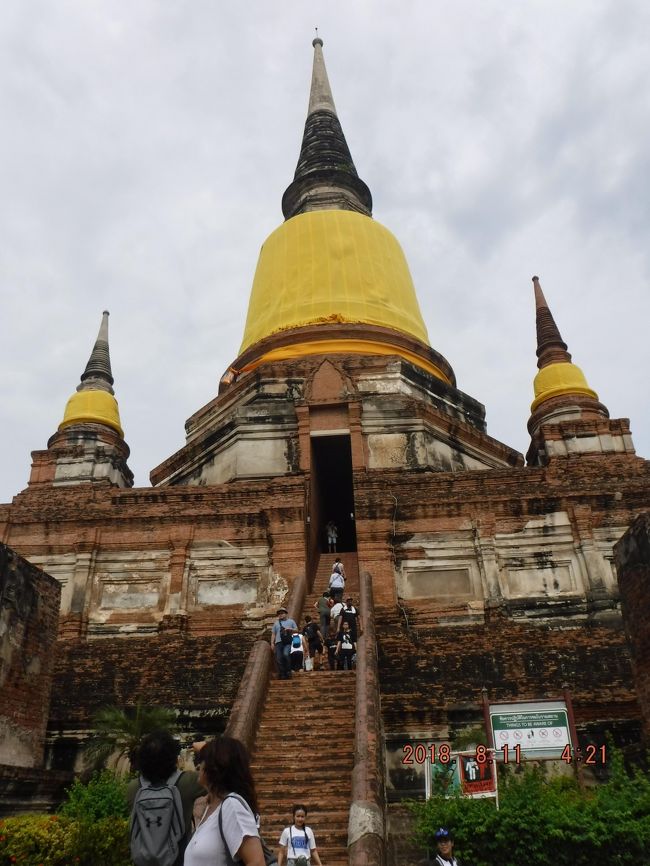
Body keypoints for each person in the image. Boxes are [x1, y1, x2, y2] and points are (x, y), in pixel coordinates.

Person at [127, 729, 205, 866]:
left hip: (142, 861)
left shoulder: (133, 788)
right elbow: (225, 772)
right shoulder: (188, 782)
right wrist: (205, 748)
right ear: (174, 758)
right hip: (178, 859)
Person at [184, 736, 265, 866]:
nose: (199, 765)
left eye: (203, 760)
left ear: (215, 767)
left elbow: (257, 863)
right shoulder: (210, 808)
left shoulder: (232, 806)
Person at [271, 606, 298, 680]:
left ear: (286, 614)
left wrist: (290, 629)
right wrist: (272, 643)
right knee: (279, 658)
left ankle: (288, 670)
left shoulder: (291, 621)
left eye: (282, 613)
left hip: (287, 642)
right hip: (278, 642)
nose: (280, 615)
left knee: (286, 654)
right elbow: (273, 633)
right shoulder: (276, 623)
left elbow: (297, 630)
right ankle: (283, 673)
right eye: (279, 614)